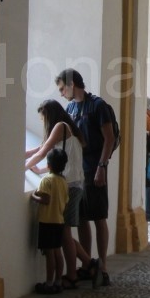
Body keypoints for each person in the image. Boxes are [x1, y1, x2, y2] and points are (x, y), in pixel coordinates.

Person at [25, 99, 95, 290]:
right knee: (61, 232)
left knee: (63, 231)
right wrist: (27, 158)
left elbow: (44, 151)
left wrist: (24, 166)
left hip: (70, 184)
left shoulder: (60, 126)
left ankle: (72, 276)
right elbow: (41, 148)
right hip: (73, 184)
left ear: (50, 114)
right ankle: (89, 264)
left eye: (43, 118)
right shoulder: (67, 126)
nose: (43, 122)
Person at [57, 68, 114, 287]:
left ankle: (104, 266)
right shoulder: (70, 108)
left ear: (72, 85)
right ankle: (88, 265)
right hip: (76, 171)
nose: (62, 93)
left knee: (99, 217)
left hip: (94, 167)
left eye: (63, 88)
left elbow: (108, 138)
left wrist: (102, 166)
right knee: (81, 218)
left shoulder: (97, 106)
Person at [29, 147, 69, 295]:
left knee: (49, 253)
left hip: (47, 221)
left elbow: (45, 199)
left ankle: (49, 282)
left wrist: (33, 197)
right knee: (58, 251)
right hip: (59, 220)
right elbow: (65, 201)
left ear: (48, 165)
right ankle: (58, 281)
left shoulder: (46, 180)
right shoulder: (64, 181)